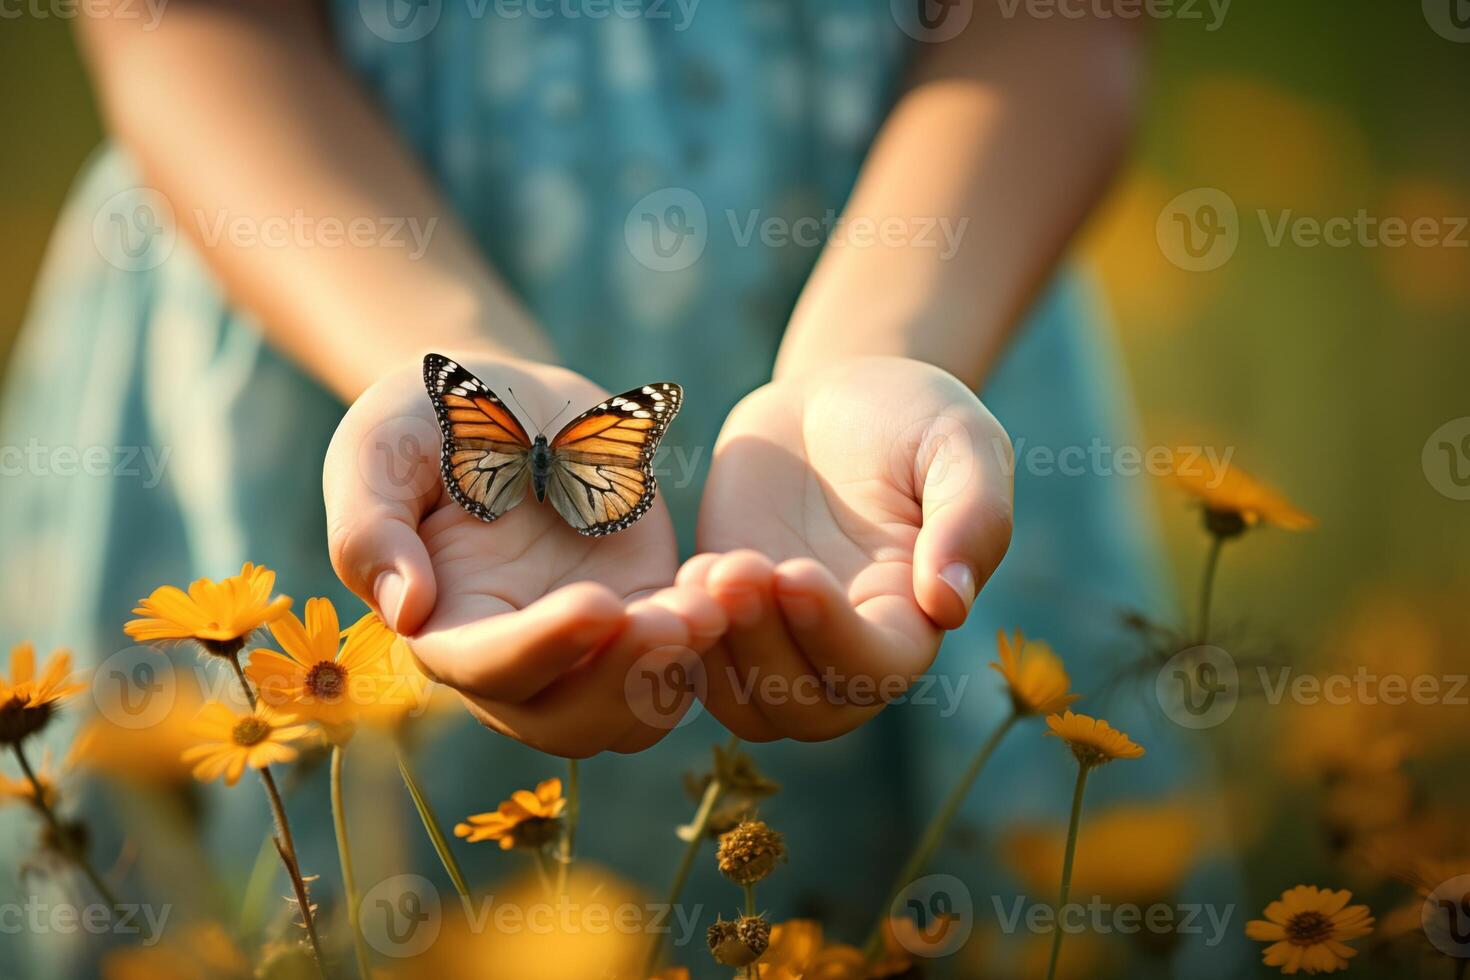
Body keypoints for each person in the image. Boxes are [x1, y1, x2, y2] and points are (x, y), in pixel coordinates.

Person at [1, 2, 1243, 976]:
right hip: (309, 272)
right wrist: (429, 346)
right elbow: (183, 26)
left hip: (922, 265)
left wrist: (877, 351)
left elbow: (1061, 19)